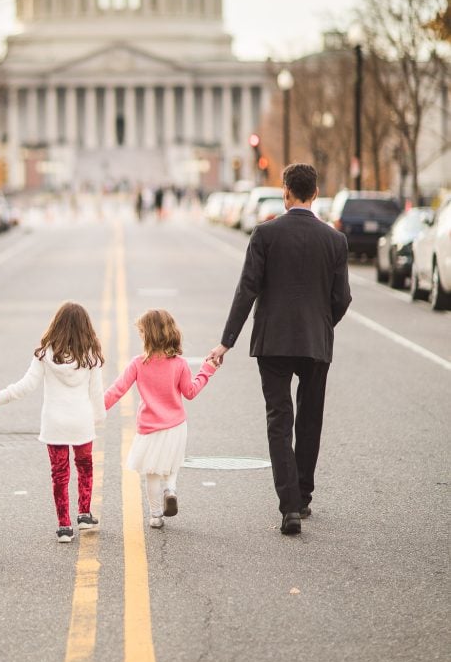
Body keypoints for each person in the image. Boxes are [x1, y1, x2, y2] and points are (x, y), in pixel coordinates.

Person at [209, 163, 351, 535]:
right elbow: (342, 298)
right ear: (316, 193)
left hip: (272, 341)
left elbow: (247, 289)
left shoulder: (265, 234)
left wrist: (227, 341)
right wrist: (322, 325)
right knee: (310, 418)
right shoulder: (335, 241)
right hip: (315, 341)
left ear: (286, 192)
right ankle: (303, 496)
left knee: (279, 418)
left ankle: (288, 505)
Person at [0, 302, 105, 543]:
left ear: (57, 326)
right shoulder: (91, 356)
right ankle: (84, 514)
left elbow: (26, 385)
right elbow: (96, 394)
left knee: (59, 475)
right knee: (85, 467)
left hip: (54, 424)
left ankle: (64, 526)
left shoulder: (45, 354)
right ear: (86, 328)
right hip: (81, 423)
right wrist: (98, 418)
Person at [104, 309, 218, 529]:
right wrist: (207, 370)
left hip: (150, 428)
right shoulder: (180, 364)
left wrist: (97, 409)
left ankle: (156, 516)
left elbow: (117, 390)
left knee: (152, 473)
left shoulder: (138, 363)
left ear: (147, 336)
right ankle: (171, 490)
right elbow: (190, 392)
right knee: (171, 465)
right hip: (176, 426)